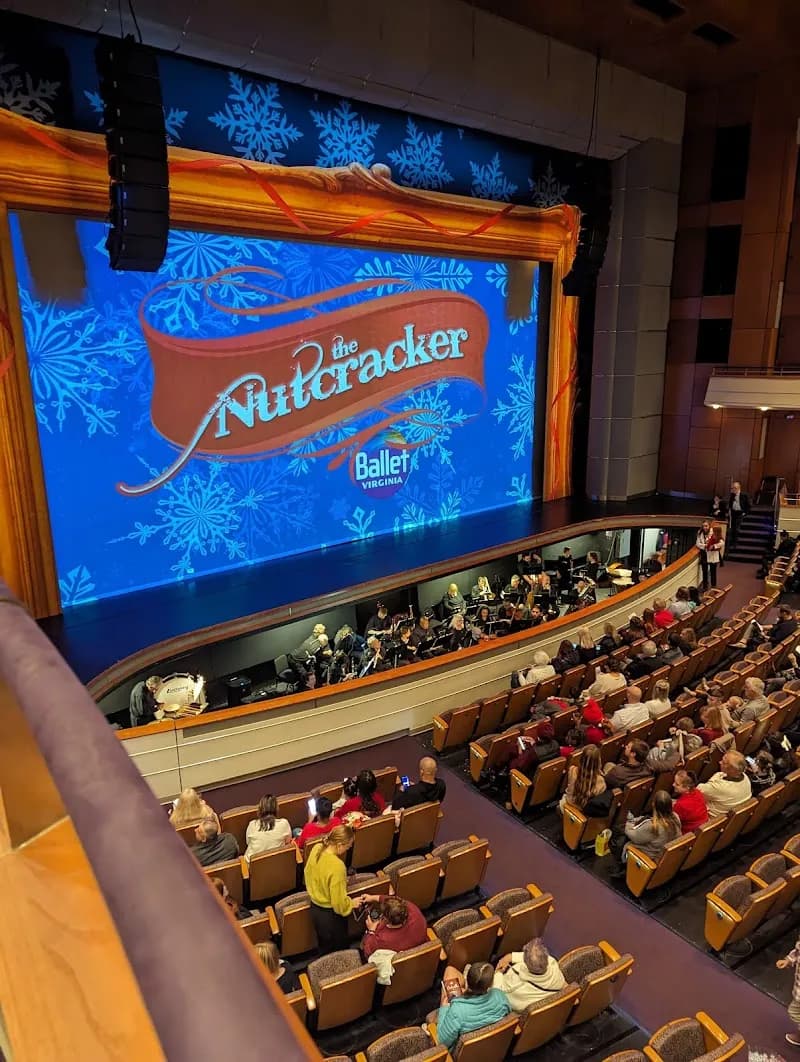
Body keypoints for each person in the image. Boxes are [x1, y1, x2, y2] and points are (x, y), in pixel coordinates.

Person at [303, 824, 360, 952]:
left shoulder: (316, 848)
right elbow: (338, 904)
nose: (348, 849)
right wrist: (351, 903)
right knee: (339, 952)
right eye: (348, 846)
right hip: (331, 918)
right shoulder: (337, 866)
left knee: (325, 949)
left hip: (315, 910)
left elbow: (308, 872)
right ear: (340, 845)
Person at [433, 961, 511, 1049]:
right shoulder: (500, 997)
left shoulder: (457, 1011)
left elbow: (442, 1042)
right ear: (490, 984)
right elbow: (508, 1018)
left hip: (461, 1053)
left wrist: (444, 1008)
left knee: (449, 974)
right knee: (451, 971)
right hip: (490, 1048)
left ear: (467, 979)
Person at [493, 938, 567, 1012]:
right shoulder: (553, 964)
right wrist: (510, 957)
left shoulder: (515, 985)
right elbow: (536, 957)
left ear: (525, 962)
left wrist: (498, 973)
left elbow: (498, 994)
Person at [619, 791, 681, 863]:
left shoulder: (653, 827)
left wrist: (629, 823)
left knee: (621, 838)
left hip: (650, 857)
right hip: (664, 856)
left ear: (653, 804)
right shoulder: (675, 817)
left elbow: (633, 836)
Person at [360, 895, 428, 959]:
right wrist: (372, 897)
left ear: (386, 919)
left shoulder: (382, 939)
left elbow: (368, 952)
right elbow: (395, 902)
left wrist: (371, 931)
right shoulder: (412, 908)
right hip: (418, 956)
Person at [698, 750, 752, 817]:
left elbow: (698, 790)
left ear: (731, 769)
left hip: (710, 819)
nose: (719, 762)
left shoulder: (718, 787)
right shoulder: (745, 777)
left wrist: (715, 777)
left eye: (723, 762)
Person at [244, 795, 292, 862]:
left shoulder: (252, 825)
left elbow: (248, 842)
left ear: (260, 809)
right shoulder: (284, 823)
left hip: (252, 868)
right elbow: (288, 841)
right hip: (278, 865)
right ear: (276, 808)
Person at [559, 744, 606, 813]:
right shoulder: (601, 781)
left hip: (567, 806)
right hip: (584, 811)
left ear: (581, 758)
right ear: (598, 761)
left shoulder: (572, 770)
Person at [696, 521, 721, 591]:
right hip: (704, 554)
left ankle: (713, 587)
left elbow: (721, 543)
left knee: (713, 571)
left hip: (712, 554)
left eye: (706, 526)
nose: (705, 527)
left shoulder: (714, 532)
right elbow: (697, 544)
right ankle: (705, 586)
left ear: (709, 526)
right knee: (704, 571)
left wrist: (713, 546)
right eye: (703, 526)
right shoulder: (700, 533)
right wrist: (705, 546)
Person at [728, 481, 750, 548]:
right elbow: (730, 504)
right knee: (733, 527)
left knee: (736, 528)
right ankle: (732, 541)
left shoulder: (744, 495)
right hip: (733, 512)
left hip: (740, 513)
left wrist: (745, 513)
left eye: (733, 488)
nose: (732, 490)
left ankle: (735, 542)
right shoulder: (732, 495)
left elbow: (749, 505)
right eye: (732, 488)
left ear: (737, 488)